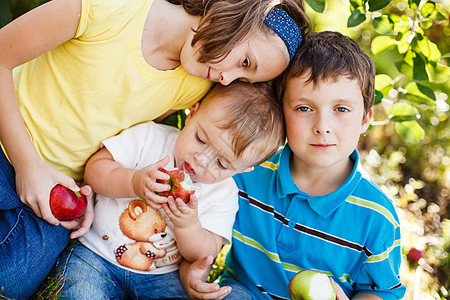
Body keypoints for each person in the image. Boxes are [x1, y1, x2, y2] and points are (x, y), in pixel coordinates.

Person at [0, 0, 311, 297]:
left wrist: (89, 191)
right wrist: (28, 165)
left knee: (13, 278)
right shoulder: (108, 9)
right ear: (233, 7)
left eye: (244, 76)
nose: (226, 78)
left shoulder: (195, 84)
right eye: (244, 62)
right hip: (8, 145)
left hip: (60, 185)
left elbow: (119, 135)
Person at [180, 31, 407, 300]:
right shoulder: (243, 174)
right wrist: (190, 273)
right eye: (303, 108)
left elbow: (381, 292)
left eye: (341, 109)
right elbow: (201, 239)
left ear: (365, 119)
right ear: (282, 111)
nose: (322, 127)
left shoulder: (376, 216)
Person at [52, 81, 286, 299]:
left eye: (222, 164)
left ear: (244, 170)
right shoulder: (150, 138)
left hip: (162, 277)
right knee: (81, 289)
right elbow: (95, 169)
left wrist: (188, 225)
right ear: (192, 114)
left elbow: (205, 254)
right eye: (201, 139)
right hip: (95, 254)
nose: (201, 160)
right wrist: (133, 182)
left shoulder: (223, 195)